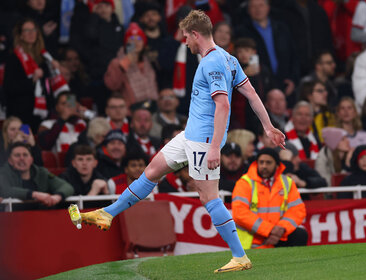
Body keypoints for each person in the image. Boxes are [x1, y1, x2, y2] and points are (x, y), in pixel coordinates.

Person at [78, 10, 285, 273]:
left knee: (208, 197)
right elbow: (252, 93)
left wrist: (214, 146)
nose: (185, 41)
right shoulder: (228, 59)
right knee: (152, 170)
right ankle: (108, 213)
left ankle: (240, 256)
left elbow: (222, 106)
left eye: (186, 36)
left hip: (203, 141)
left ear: (195, 34)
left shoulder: (211, 63)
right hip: (190, 135)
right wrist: (268, 127)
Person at [232, 148, 307, 249]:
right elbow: (239, 213)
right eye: (261, 162)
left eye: (268, 163)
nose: (264, 166)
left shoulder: (287, 182)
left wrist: (281, 229)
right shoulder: (245, 183)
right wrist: (270, 230)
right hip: (252, 240)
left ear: (277, 165)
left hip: (278, 236)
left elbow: (297, 210)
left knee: (300, 234)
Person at [235, 0, 299, 99]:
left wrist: (293, 80)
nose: (258, 9)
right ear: (248, 10)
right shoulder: (242, 32)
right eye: (253, 6)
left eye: (261, 5)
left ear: (268, 7)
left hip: (285, 84)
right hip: (259, 86)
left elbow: (294, 55)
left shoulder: (281, 28)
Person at [0, 142, 74, 208]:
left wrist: (57, 197)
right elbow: (5, 190)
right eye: (17, 155)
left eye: (25, 155)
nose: (21, 158)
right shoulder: (3, 173)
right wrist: (34, 194)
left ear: (31, 159)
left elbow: (67, 186)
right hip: (14, 218)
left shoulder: (41, 172)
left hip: (41, 217)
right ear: (10, 161)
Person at [104, 22, 158, 107]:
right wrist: (126, 62)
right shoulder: (117, 62)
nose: (136, 42)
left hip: (151, 107)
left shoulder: (147, 61)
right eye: (132, 38)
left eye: (139, 39)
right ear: (126, 43)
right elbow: (112, 85)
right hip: (131, 109)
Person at [230, 37, 272, 130]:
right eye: (239, 51)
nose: (243, 54)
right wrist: (244, 75)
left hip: (259, 112)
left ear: (254, 52)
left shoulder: (262, 69)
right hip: (240, 113)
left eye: (246, 50)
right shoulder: (232, 70)